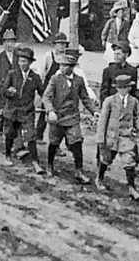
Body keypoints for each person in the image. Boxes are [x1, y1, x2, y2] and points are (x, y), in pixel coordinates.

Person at [43, 47, 99, 183]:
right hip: (57, 117)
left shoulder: (78, 80)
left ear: (72, 67)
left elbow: (85, 98)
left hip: (72, 118)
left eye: (65, 66)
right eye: (61, 65)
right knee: (54, 143)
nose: (62, 68)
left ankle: (79, 171)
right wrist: (50, 111)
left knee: (77, 143)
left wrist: (94, 111)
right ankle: (49, 165)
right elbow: (46, 97)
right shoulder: (55, 79)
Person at [95, 74, 139, 199]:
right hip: (112, 137)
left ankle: (132, 188)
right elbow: (102, 121)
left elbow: (135, 118)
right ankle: (99, 178)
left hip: (126, 137)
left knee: (129, 162)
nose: (125, 89)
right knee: (106, 159)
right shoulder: (110, 101)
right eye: (122, 87)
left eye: (127, 87)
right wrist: (100, 139)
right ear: (117, 88)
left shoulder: (133, 101)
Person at [0, 47, 45, 174]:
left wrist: (49, 104)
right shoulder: (12, 74)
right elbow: (3, 91)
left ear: (30, 62)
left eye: (24, 61)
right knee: (10, 134)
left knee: (31, 136)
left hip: (27, 112)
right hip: (12, 111)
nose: (21, 64)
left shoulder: (35, 77)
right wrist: (9, 92)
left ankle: (36, 163)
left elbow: (43, 93)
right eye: (20, 61)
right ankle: (7, 155)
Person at [0, 28, 18, 134]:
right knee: (5, 112)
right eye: (7, 42)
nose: (9, 44)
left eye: (12, 42)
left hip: (16, 90)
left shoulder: (20, 57)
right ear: (3, 43)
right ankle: (3, 125)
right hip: (2, 91)